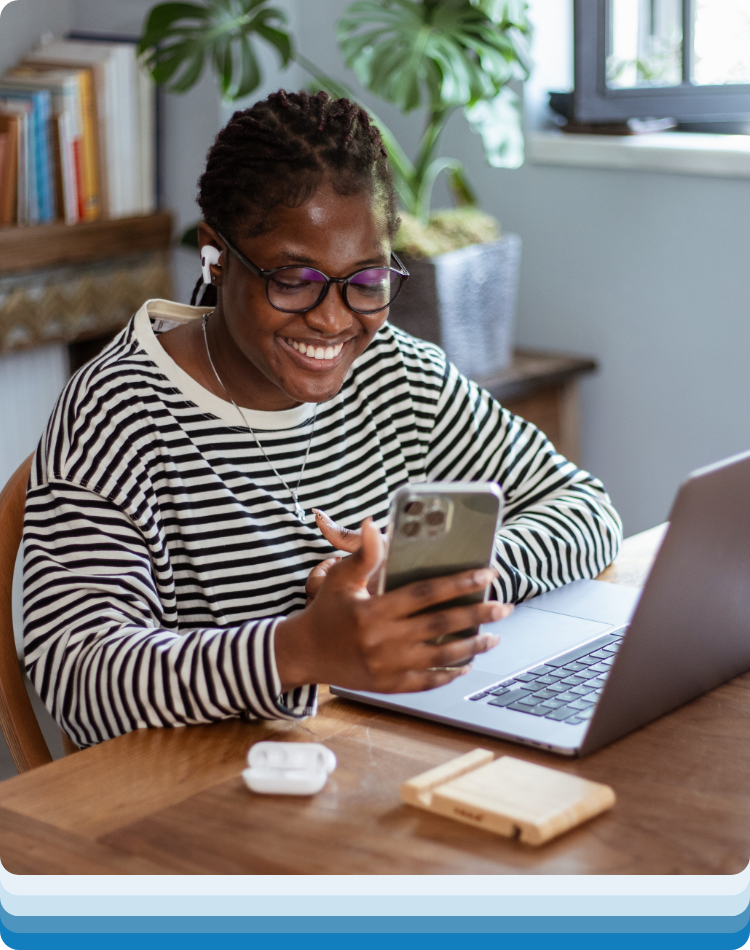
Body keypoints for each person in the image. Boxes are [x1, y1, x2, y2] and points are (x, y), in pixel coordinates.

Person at [23, 91, 622, 749]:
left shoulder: (395, 374)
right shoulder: (117, 413)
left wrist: (437, 582)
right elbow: (76, 677)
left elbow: (585, 508)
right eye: (293, 280)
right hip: (195, 802)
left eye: (364, 282)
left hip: (357, 762)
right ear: (215, 257)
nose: (334, 320)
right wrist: (300, 649)